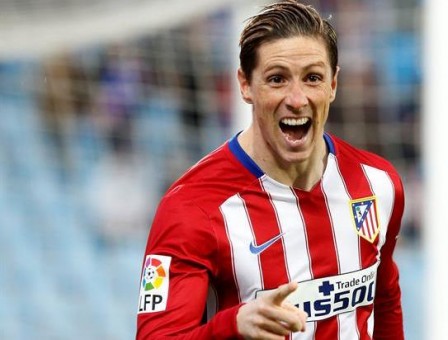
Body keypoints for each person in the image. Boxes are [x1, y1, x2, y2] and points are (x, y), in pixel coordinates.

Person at [136, 1, 405, 339]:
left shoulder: (378, 184)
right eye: (277, 79)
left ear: (333, 85)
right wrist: (231, 327)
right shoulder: (192, 207)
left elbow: (384, 302)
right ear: (245, 85)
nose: (297, 98)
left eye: (313, 78)